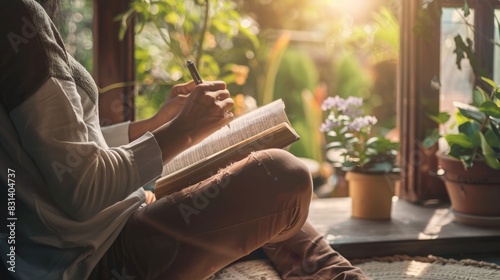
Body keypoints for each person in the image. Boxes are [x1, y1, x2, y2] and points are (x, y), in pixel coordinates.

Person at [0, 1, 368, 279]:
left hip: (113, 222)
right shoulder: (17, 17)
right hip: (94, 257)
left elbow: (61, 151)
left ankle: (335, 273)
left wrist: (153, 124)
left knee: (241, 163)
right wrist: (182, 130)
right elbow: (81, 189)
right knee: (282, 175)